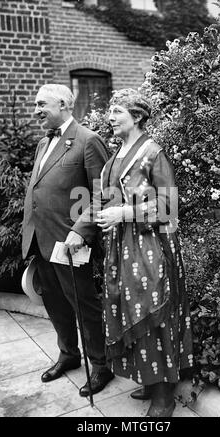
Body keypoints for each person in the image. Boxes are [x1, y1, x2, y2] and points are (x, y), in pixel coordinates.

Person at [73, 88, 194, 417]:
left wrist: (123, 214)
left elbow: (169, 205)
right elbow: (107, 200)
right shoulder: (114, 159)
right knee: (127, 311)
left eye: (117, 112)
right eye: (110, 111)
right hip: (119, 248)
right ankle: (150, 377)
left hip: (149, 248)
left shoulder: (153, 153)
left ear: (137, 117)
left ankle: (164, 397)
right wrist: (96, 221)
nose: (110, 117)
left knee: (153, 314)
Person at [22, 83, 114, 397]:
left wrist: (81, 230)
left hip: (71, 242)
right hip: (40, 239)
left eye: (41, 104)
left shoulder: (88, 141)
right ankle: (68, 354)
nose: (36, 111)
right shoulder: (41, 143)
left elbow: (103, 194)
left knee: (84, 304)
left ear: (63, 104)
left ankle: (101, 364)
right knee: (55, 303)